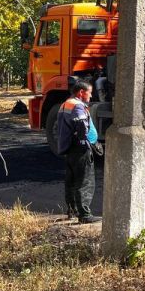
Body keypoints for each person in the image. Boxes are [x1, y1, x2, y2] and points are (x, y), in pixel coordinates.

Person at [56, 80, 100, 223]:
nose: (91, 96)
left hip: (70, 149)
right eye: (90, 92)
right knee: (84, 181)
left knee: (71, 181)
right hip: (80, 149)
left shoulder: (65, 104)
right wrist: (86, 142)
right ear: (81, 92)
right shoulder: (78, 106)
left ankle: (72, 211)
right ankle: (85, 215)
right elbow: (81, 125)